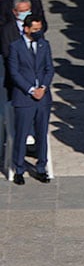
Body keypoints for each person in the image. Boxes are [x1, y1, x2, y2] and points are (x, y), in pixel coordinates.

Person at [8, 14, 51, 186]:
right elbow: (14, 72)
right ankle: (18, 169)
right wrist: (31, 90)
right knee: (21, 134)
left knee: (42, 133)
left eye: (39, 29)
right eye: (34, 30)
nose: (38, 32)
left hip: (43, 98)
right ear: (26, 29)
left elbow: (49, 69)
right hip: (24, 98)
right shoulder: (15, 47)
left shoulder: (44, 45)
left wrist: (43, 88)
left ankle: (41, 167)